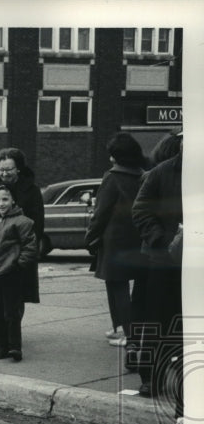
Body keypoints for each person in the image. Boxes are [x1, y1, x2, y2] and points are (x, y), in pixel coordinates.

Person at [84, 133, 148, 349]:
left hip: (114, 241)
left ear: (117, 157)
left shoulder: (112, 177)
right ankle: (127, 330)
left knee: (116, 288)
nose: (110, 159)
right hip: (140, 239)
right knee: (137, 291)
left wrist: (90, 236)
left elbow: (101, 213)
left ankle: (126, 333)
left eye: (112, 155)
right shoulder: (143, 175)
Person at [131, 134, 182, 402]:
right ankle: (151, 376)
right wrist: (162, 240)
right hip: (162, 260)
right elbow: (140, 210)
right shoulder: (162, 172)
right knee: (157, 320)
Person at [0, 147, 44, 309]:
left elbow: (37, 226)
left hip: (17, 259)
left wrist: (22, 260)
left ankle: (12, 333)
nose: (4, 174)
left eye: (9, 170)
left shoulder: (32, 191)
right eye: (1, 170)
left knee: (15, 302)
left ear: (18, 168)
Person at [0, 185, 37, 362]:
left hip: (11, 273)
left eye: (5, 199)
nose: (1, 203)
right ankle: (1, 347)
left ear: (13, 200)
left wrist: (19, 265)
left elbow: (30, 247)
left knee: (11, 312)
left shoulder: (23, 222)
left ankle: (15, 347)